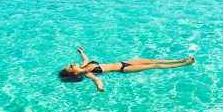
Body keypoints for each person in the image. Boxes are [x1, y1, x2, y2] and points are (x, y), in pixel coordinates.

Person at [59, 46, 195, 92]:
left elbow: (85, 59)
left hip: (123, 62)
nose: (72, 64)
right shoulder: (88, 73)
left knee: (152, 60)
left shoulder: (84, 66)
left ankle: (180, 60)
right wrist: (100, 87)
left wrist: (81, 52)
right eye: (71, 67)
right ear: (75, 72)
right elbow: (97, 81)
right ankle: (184, 64)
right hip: (123, 69)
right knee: (154, 66)